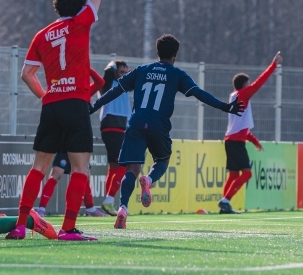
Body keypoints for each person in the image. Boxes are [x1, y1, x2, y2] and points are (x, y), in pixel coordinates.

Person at [90, 34, 244, 229]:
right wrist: (225, 107)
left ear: (158, 52)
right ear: (174, 54)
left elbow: (114, 91)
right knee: (162, 161)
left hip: (136, 123)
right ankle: (150, 179)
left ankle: (122, 208)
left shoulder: (141, 70)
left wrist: (93, 107)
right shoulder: (176, 74)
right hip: (158, 124)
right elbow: (198, 93)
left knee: (131, 170)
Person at [15, 0, 111, 242]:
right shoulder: (82, 22)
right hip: (74, 103)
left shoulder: (41, 35)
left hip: (52, 104)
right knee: (81, 167)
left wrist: (48, 95)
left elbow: (27, 74)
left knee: (38, 167)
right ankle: (68, 228)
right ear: (81, 6)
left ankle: (19, 225)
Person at [35, 69, 107, 217]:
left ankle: (90, 208)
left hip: (79, 137)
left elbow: (100, 82)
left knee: (84, 173)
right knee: (56, 173)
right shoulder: (65, 89)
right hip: (65, 138)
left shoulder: (85, 91)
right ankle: (41, 209)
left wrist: (88, 69)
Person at [218, 52, 282, 214]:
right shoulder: (243, 95)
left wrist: (254, 141)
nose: (250, 86)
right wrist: (273, 64)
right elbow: (260, 82)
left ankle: (225, 205)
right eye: (248, 84)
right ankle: (225, 200)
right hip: (236, 142)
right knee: (246, 174)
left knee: (233, 175)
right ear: (245, 86)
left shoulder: (234, 96)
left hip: (230, 139)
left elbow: (241, 126)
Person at [98, 60, 131, 216]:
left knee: (114, 167)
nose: (124, 75)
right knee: (124, 164)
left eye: (126, 72)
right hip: (112, 125)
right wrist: (112, 65)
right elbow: (108, 72)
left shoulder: (125, 86)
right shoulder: (109, 84)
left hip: (120, 127)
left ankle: (108, 203)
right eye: (121, 72)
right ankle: (109, 200)